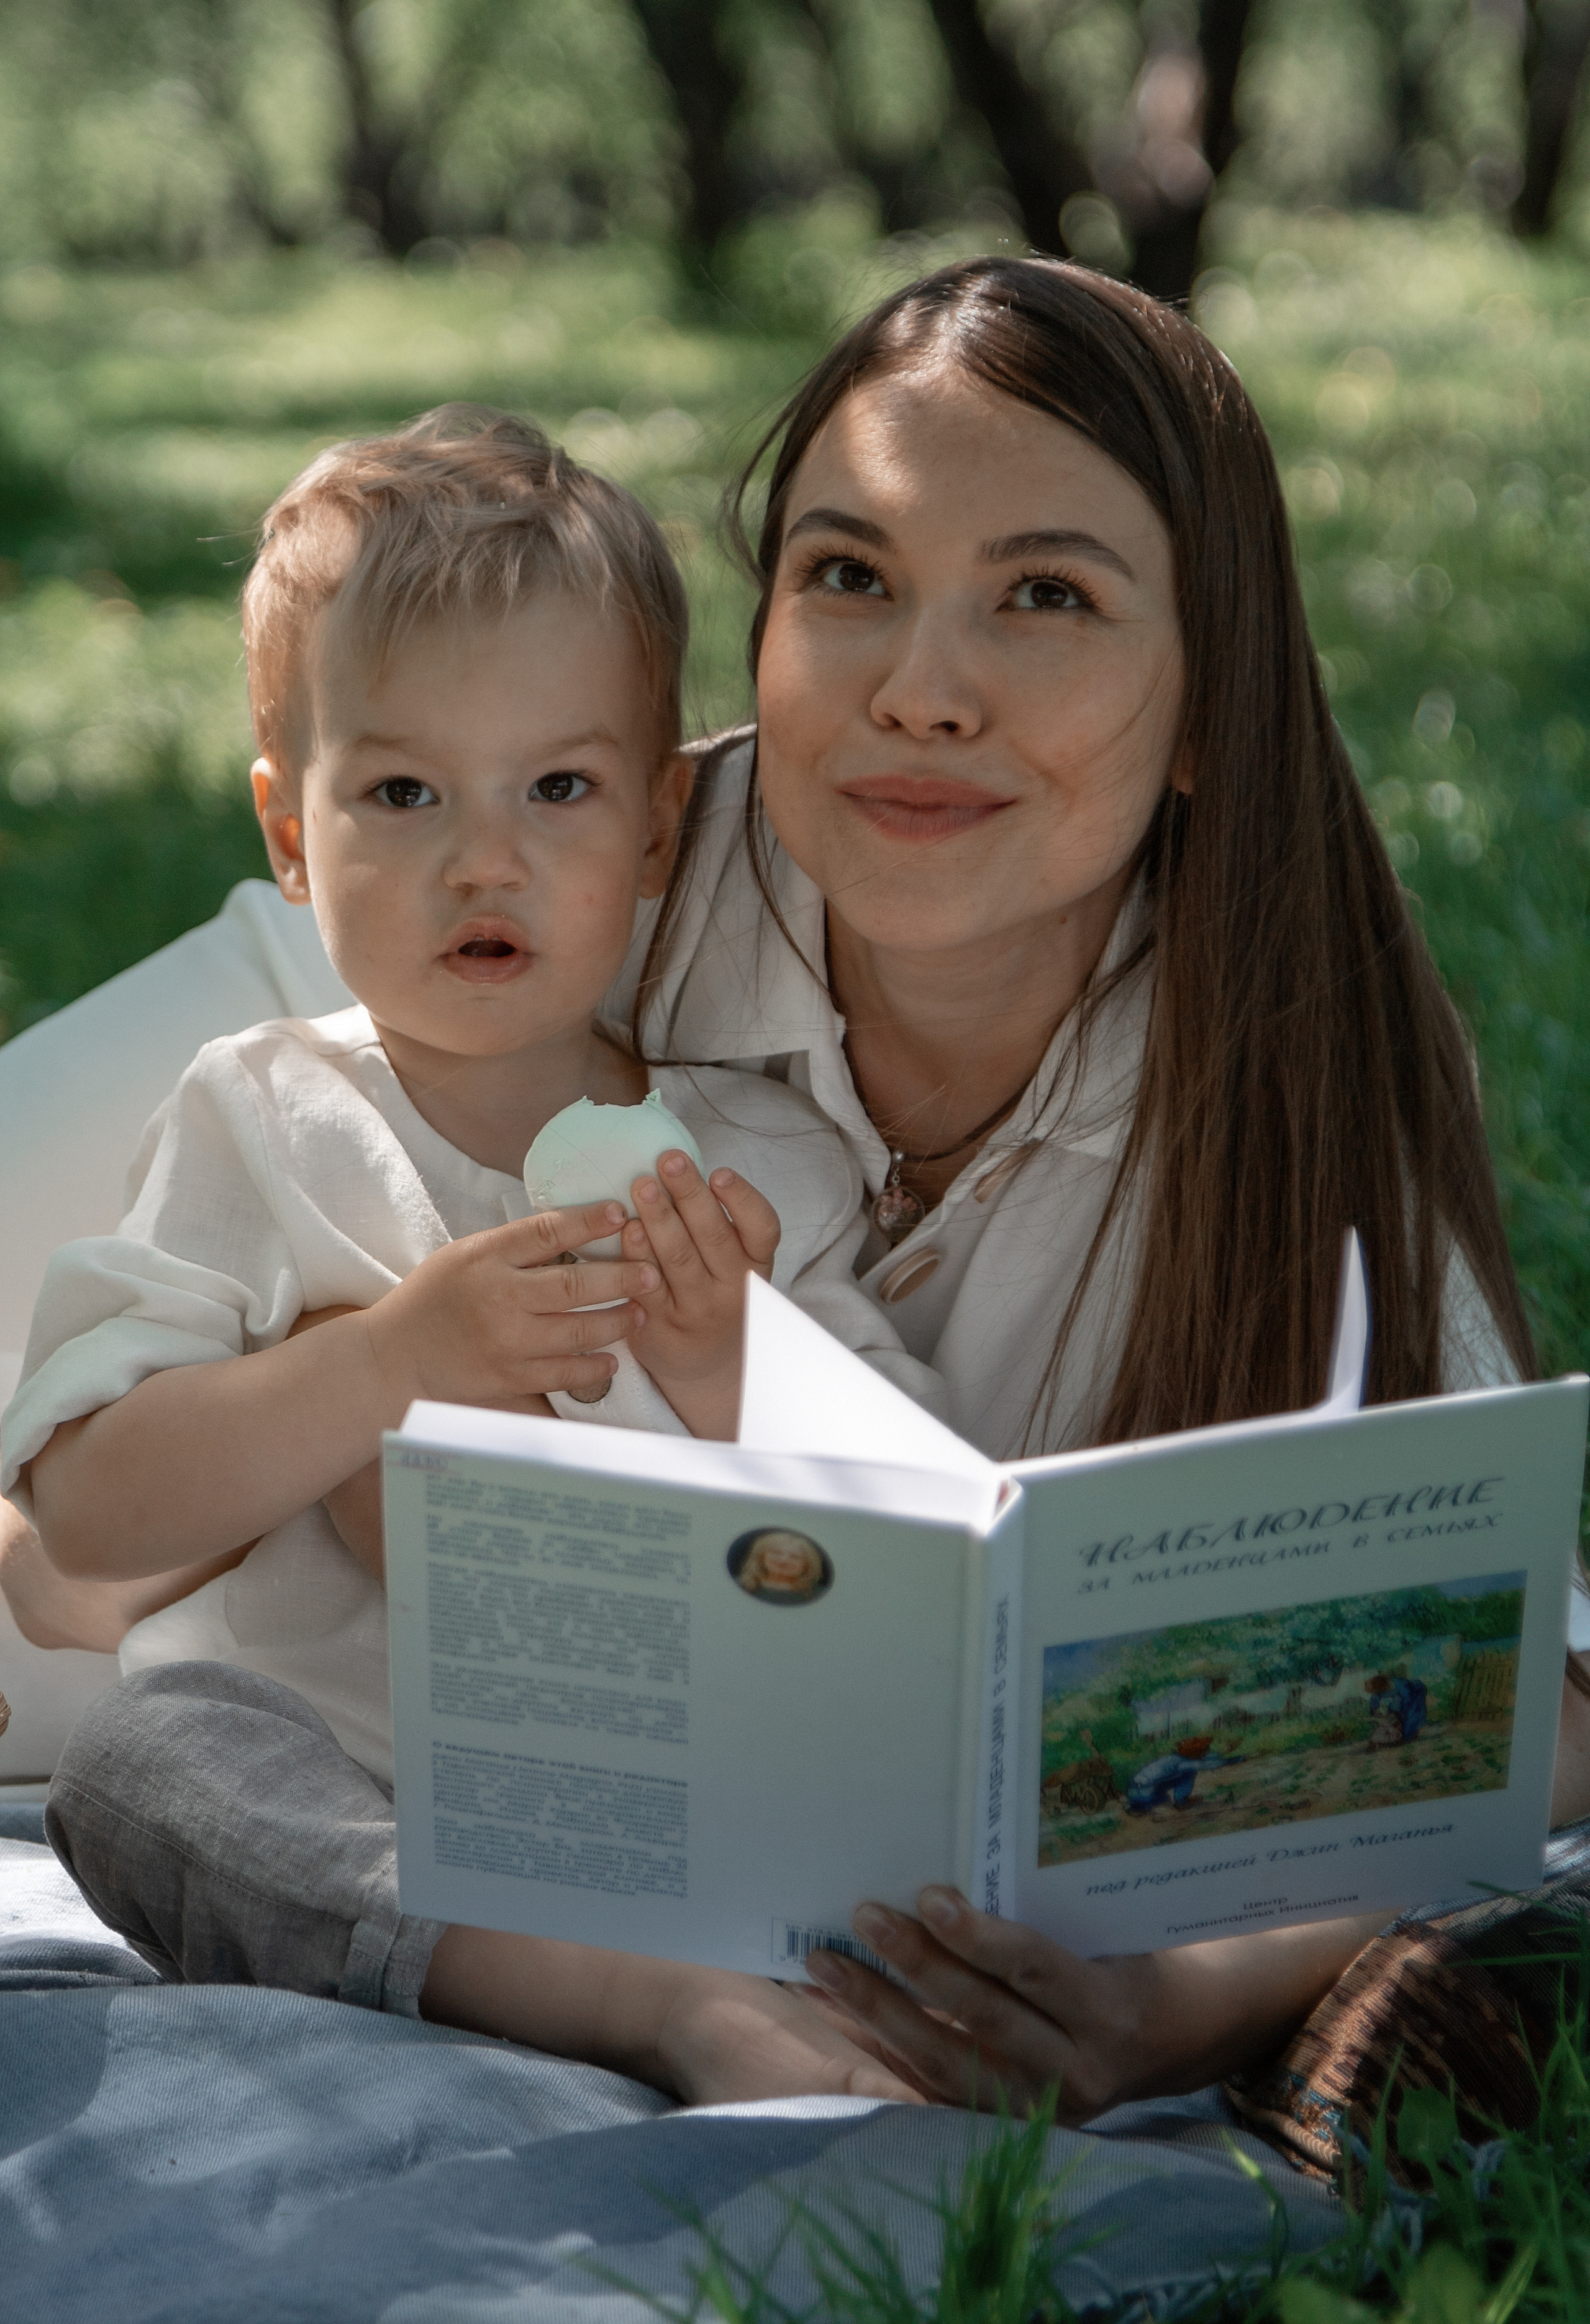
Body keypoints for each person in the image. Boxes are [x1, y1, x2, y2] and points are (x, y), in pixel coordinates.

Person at [6, 255, 1589, 2133]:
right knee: (141, 1751)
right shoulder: (488, 909)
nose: (920, 692)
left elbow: (1525, 1687)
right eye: (848, 575)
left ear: (1200, 709)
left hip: (773, 1829)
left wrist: (1176, 2001)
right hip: (290, 1707)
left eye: (1044, 597)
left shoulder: (1278, 1066)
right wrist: (373, 1380)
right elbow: (50, 1564)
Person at [2, 405, 938, 2108]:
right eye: (405, 790)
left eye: (560, 788)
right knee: (146, 1759)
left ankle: (693, 1968)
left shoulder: (763, 1155)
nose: (483, 856)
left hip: (675, 1780)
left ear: (658, 830)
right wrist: (382, 1365)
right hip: (365, 1808)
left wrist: (736, 1366)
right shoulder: (263, 1120)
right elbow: (78, 1518)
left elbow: (926, 1541)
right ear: (293, 835)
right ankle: (630, 2003)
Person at [1123, 1739, 1245, 1815]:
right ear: (1196, 1753)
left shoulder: (1173, 1759)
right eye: (1205, 1751)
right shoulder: (1185, 1763)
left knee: (1165, 1782)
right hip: (1147, 1793)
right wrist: (1236, 1759)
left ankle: (1137, 1805)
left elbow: (1205, 1759)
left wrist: (1225, 1751)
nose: (1207, 1753)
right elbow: (1207, 1764)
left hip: (1133, 1791)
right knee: (1189, 1774)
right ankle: (1181, 1803)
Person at [1365, 1672, 1429, 1746]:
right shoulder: (1376, 1695)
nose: (1374, 1694)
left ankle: (1410, 1736)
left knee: (1408, 1726)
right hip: (1393, 1715)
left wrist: (1396, 1715)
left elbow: (1407, 1705)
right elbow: (1374, 1707)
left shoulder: (1401, 1687)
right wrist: (1377, 1713)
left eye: (1374, 1692)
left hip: (1414, 1700)